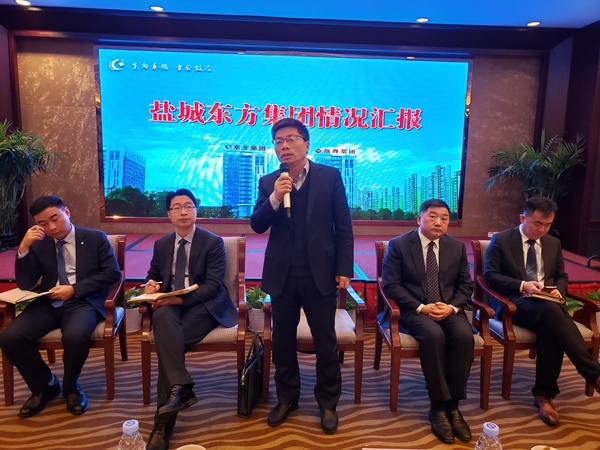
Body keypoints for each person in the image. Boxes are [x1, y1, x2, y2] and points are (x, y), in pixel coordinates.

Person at [250, 118, 354, 434]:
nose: (284, 145)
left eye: (291, 139)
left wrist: (344, 268)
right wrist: (274, 198)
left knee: (325, 340)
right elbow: (257, 224)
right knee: (282, 341)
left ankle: (327, 402)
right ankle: (287, 398)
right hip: (282, 274)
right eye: (278, 141)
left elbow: (343, 225)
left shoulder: (330, 176)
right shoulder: (269, 181)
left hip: (320, 273)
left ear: (306, 144)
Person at [0, 195, 121, 418]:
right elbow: (26, 283)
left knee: (75, 335)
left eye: (54, 218)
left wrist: (74, 289)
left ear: (66, 212)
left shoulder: (95, 238)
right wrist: (24, 248)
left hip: (82, 301)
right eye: (43, 223)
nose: (51, 227)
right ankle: (45, 385)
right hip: (48, 301)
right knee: (10, 337)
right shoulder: (39, 243)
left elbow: (112, 273)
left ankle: (71, 386)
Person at [484, 195, 600, 426]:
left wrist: (558, 292)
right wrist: (523, 285)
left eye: (548, 225)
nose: (542, 230)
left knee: (551, 325)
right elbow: (490, 276)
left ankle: (544, 396)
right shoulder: (502, 240)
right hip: (514, 303)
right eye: (538, 223)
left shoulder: (552, 243)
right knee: (552, 313)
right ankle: (592, 373)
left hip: (547, 304)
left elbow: (561, 276)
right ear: (522, 218)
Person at [143, 188, 237, 450]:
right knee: (163, 318)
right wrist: (151, 285)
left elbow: (214, 286)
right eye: (177, 207)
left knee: (167, 343)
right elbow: (153, 275)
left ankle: (162, 426)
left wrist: (181, 300)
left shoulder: (213, 242)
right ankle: (181, 387)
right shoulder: (161, 244)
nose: (183, 211)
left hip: (205, 306)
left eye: (188, 206)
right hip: (171, 304)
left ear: (196, 211)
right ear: (169, 214)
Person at [381, 199, 474, 444]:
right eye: (433, 216)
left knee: (465, 336)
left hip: (448, 309)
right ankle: (438, 406)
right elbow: (391, 285)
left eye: (444, 218)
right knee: (434, 335)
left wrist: (451, 307)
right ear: (419, 219)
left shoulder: (456, 247)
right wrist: (422, 307)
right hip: (413, 310)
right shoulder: (399, 245)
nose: (439, 222)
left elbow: (466, 285)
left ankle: (454, 406)